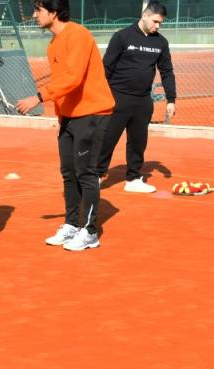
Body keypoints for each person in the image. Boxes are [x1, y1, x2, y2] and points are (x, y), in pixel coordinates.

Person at [16, 0, 114, 252]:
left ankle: (90, 231)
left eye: (39, 10)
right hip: (69, 118)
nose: (34, 14)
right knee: (69, 173)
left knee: (86, 173)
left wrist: (37, 98)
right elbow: (63, 84)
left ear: (54, 12)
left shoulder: (78, 35)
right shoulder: (52, 45)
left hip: (92, 113)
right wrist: (62, 116)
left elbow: (72, 78)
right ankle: (72, 224)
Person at [96, 2, 176, 193]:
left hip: (142, 100)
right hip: (118, 98)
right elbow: (105, 67)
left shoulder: (160, 43)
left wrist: (171, 99)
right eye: (156, 21)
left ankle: (133, 178)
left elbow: (166, 71)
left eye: (160, 23)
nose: (158, 26)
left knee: (138, 141)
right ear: (145, 16)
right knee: (108, 138)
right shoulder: (122, 36)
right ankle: (96, 175)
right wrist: (99, 95)